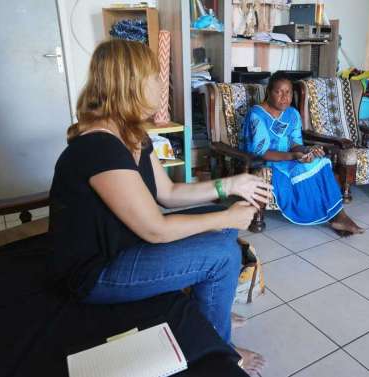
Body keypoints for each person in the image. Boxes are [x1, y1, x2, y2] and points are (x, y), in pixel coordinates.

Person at [47, 40, 266, 376]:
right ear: (130, 84)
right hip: (93, 274)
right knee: (222, 254)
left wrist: (230, 185)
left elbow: (169, 192)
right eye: (154, 77)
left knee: (222, 231)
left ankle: (211, 313)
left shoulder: (133, 135)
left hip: (125, 246)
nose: (161, 85)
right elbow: (155, 228)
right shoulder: (98, 147)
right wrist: (226, 213)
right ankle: (221, 348)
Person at [240, 71, 364, 236]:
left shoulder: (292, 114)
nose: (284, 97)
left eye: (288, 92)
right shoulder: (257, 115)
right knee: (303, 169)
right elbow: (261, 152)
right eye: (279, 92)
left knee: (321, 162)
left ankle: (337, 215)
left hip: (290, 157)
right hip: (267, 161)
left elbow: (295, 144)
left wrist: (307, 151)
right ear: (268, 92)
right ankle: (336, 217)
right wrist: (293, 156)